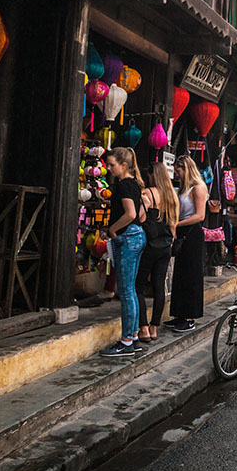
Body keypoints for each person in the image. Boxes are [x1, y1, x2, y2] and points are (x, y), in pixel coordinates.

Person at [100, 148, 148, 358]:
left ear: (124, 165)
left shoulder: (125, 185)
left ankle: (127, 340)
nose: (109, 168)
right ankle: (134, 337)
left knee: (127, 290)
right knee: (131, 289)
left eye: (112, 165)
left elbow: (131, 214)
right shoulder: (134, 184)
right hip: (136, 235)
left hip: (128, 236)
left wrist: (112, 229)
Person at [136, 162, 179, 342]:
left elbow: (140, 218)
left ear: (153, 175)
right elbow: (174, 227)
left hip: (150, 246)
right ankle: (154, 328)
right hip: (165, 247)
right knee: (158, 286)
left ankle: (143, 328)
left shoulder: (147, 194)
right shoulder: (172, 196)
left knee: (137, 286)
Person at [166, 156, 207, 333]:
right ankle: (179, 314)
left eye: (179, 170)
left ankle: (190, 316)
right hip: (182, 230)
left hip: (192, 232)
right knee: (180, 274)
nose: (177, 174)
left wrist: (177, 224)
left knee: (191, 274)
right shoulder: (183, 187)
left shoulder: (197, 188)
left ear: (187, 169)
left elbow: (200, 215)